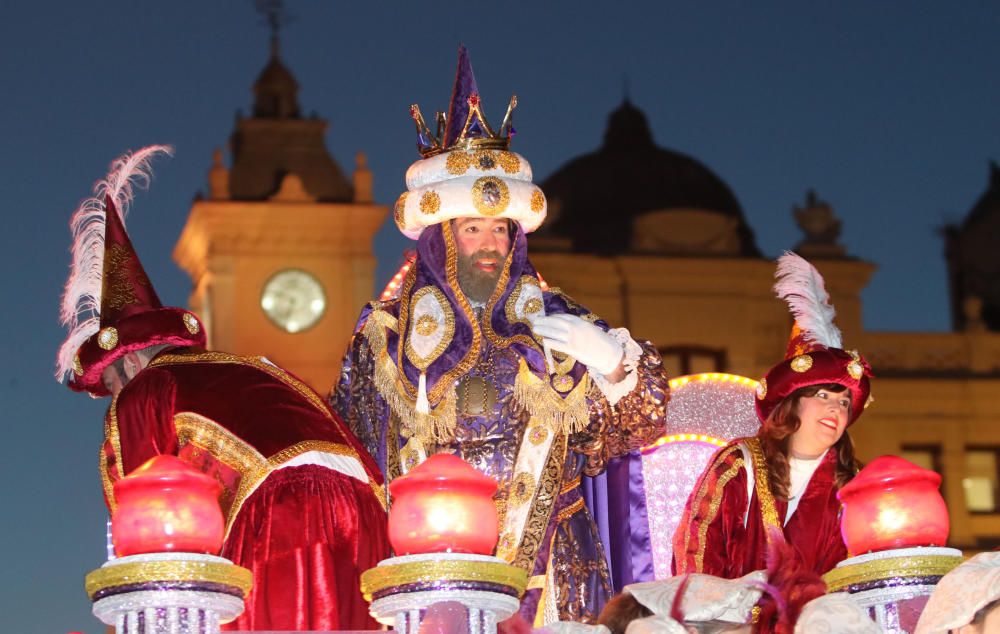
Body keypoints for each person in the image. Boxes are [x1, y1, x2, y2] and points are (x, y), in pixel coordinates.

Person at [330, 47, 669, 625]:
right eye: (472, 228)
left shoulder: (560, 325)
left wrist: (616, 368)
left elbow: (639, 428)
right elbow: (347, 456)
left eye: (499, 229)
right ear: (441, 236)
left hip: (555, 569)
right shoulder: (383, 341)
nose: (489, 244)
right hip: (432, 570)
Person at [56, 146, 389, 631]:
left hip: (282, 515)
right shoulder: (240, 367)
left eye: (110, 384)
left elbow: (147, 515)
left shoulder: (149, 389)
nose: (114, 398)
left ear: (128, 362)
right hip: (366, 513)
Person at [672, 252, 873, 581]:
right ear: (793, 404)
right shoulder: (740, 463)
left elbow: (861, 571)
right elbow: (698, 548)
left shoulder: (853, 486)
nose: (836, 409)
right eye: (822, 396)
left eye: (843, 403)